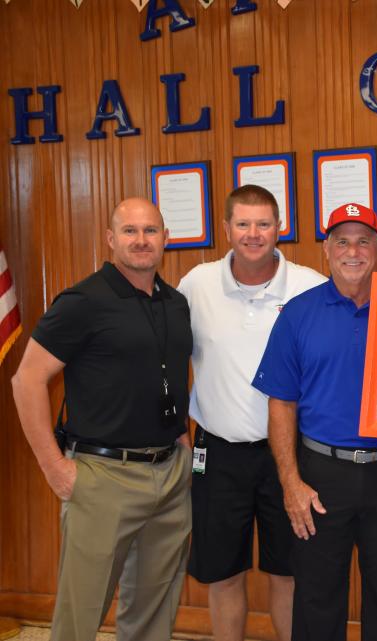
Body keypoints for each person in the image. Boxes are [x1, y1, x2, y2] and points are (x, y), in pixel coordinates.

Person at [11, 198, 192, 641]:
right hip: (102, 477)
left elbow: (169, 374)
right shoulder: (82, 301)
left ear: (166, 239)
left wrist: (182, 440)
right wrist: (55, 468)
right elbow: (26, 380)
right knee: (80, 614)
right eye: (129, 231)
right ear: (110, 239)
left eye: (151, 231)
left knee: (154, 612)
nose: (141, 240)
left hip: (169, 474)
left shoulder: (175, 303)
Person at [252, 202, 377, 641]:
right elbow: (280, 404)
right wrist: (291, 483)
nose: (353, 251)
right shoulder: (299, 314)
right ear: (327, 249)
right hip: (321, 475)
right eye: (342, 240)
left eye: (364, 240)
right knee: (317, 599)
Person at [177, 185, 326, 641]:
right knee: (223, 574)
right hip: (217, 455)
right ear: (226, 228)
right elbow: (165, 361)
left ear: (280, 228)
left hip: (290, 459)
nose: (253, 234)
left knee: (288, 572)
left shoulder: (310, 286)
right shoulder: (195, 285)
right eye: (243, 224)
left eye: (263, 224)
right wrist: (175, 432)